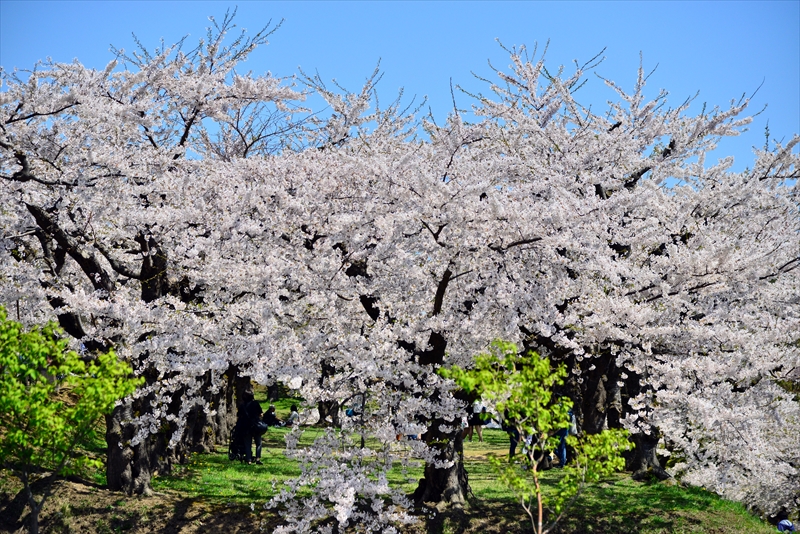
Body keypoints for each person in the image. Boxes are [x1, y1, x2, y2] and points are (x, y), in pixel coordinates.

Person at [243, 392, 267, 464]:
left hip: (246, 426)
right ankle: (257, 459)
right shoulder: (255, 404)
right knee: (258, 443)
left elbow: (239, 415)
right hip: (255, 426)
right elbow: (261, 414)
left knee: (248, 444)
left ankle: (249, 460)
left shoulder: (243, 405)